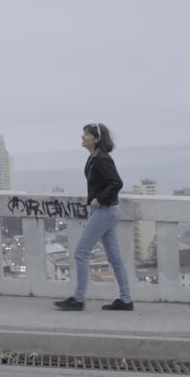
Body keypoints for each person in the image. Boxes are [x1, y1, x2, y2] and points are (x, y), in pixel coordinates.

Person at [55, 123, 132, 312]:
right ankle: (126, 299)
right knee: (115, 258)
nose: (82, 137)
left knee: (81, 252)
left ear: (96, 139)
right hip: (108, 211)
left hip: (105, 211)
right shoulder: (94, 157)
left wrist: (100, 199)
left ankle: (78, 299)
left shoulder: (101, 159)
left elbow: (116, 183)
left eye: (86, 135)